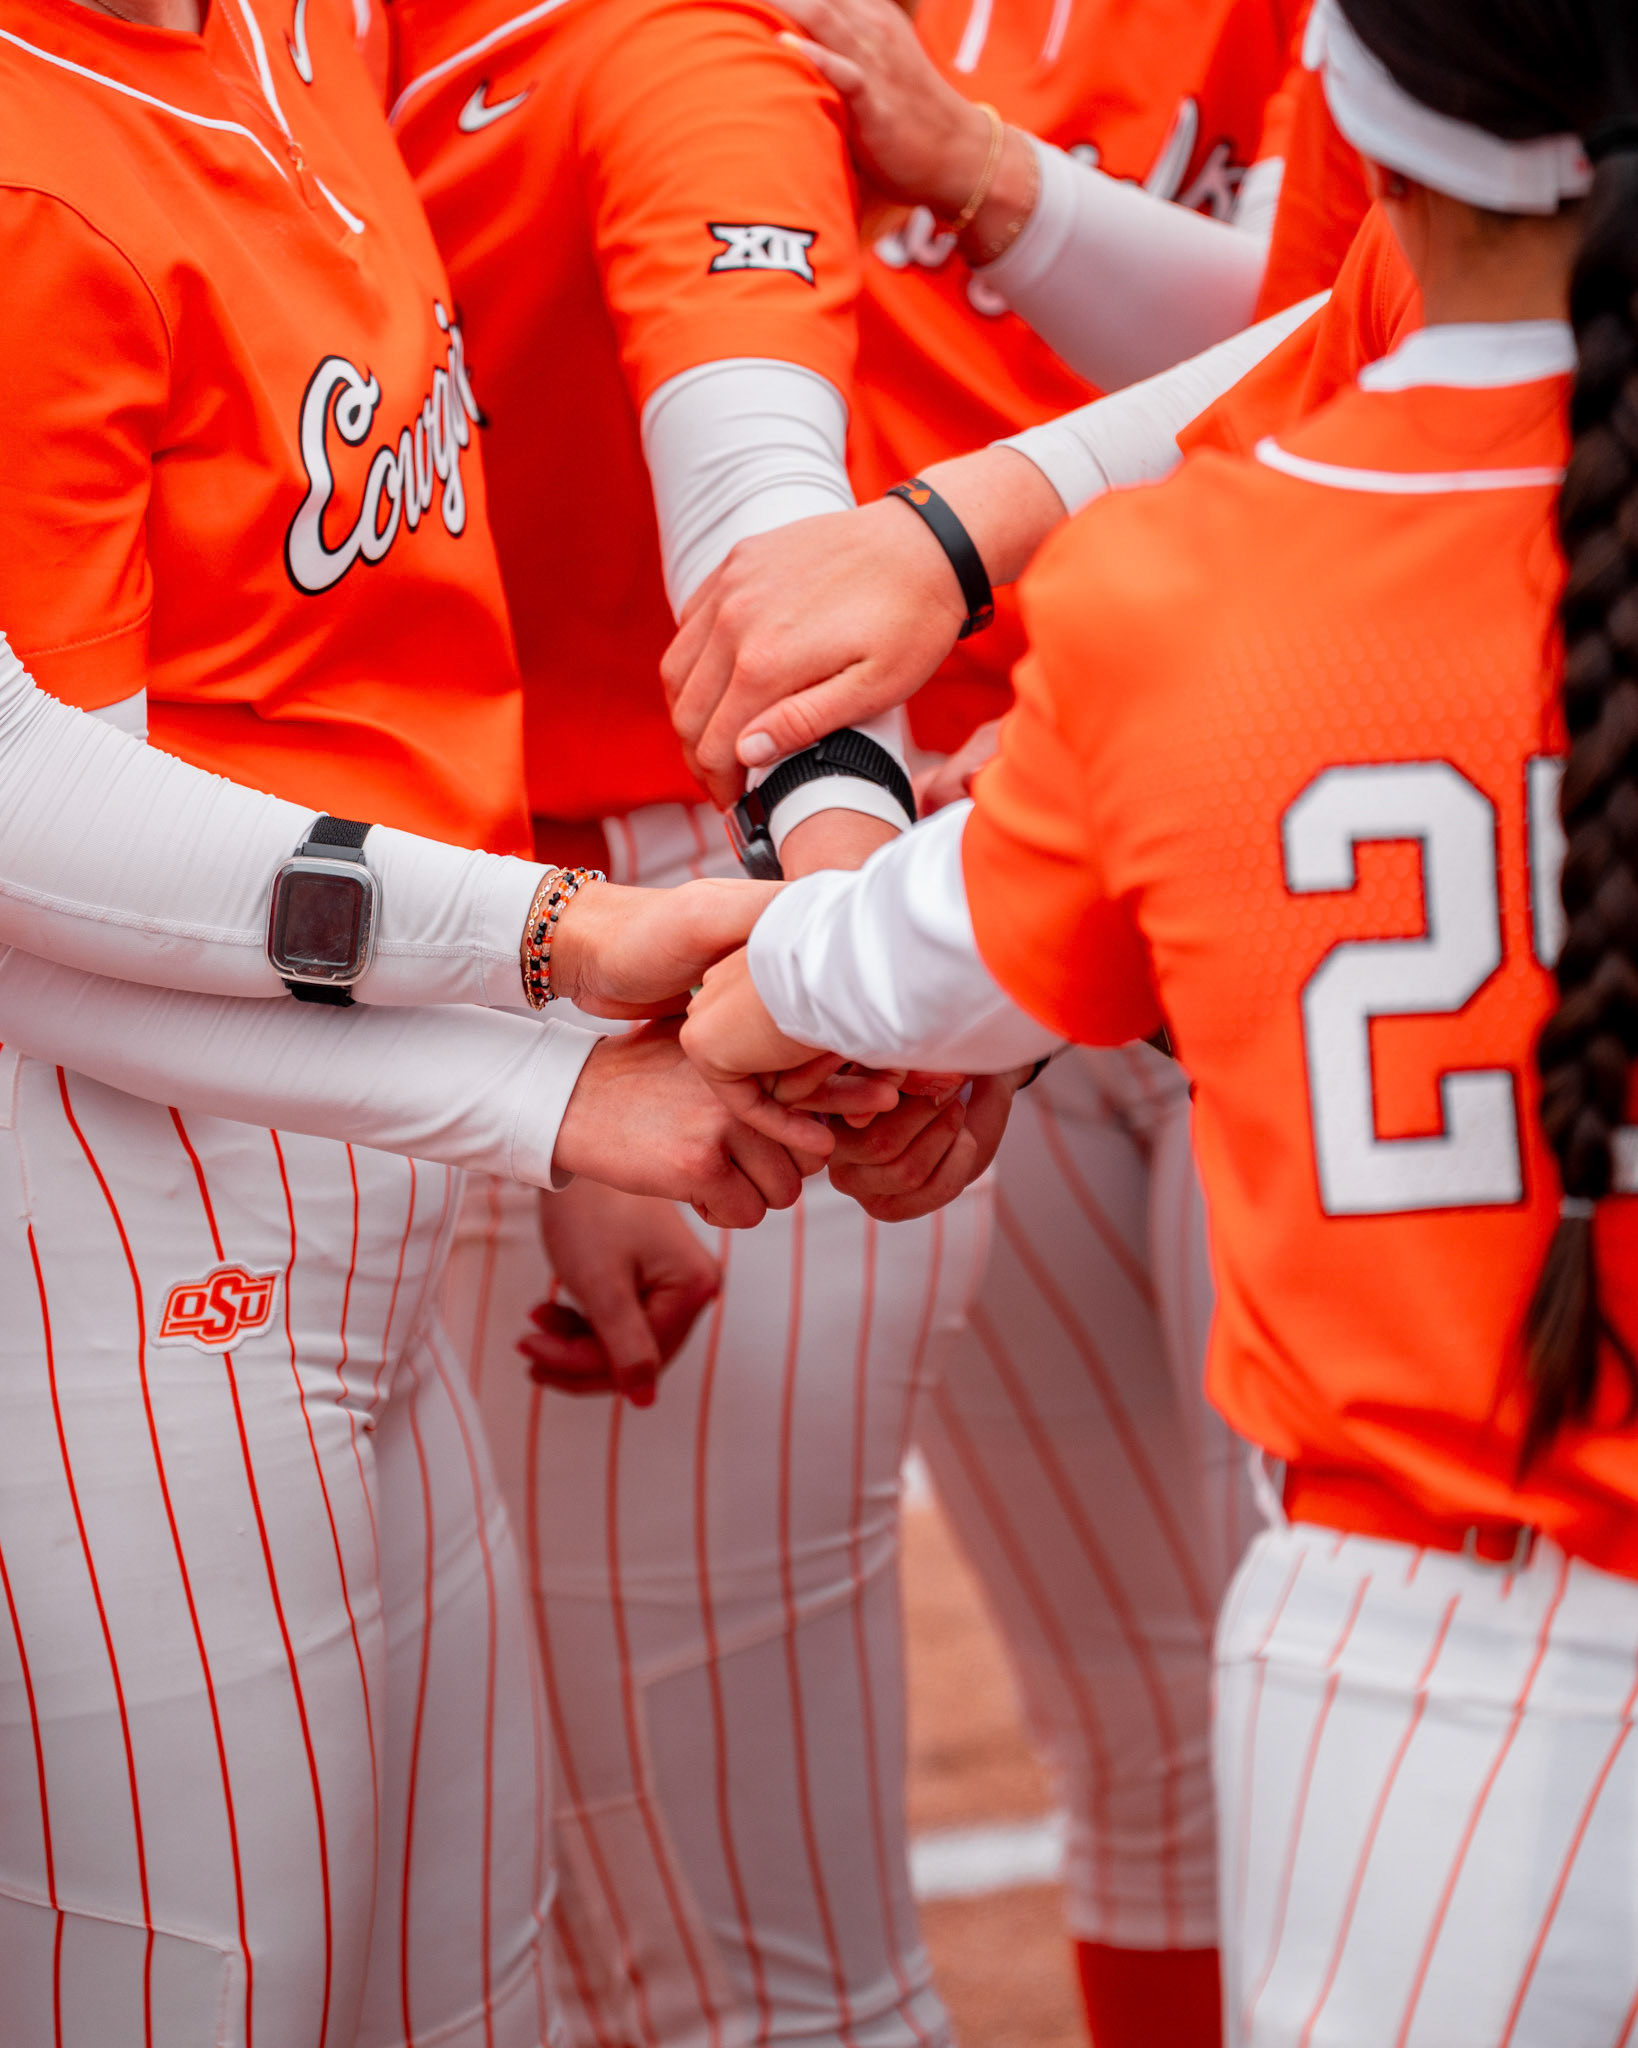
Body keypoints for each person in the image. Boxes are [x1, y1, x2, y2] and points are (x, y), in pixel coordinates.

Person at [682, 0, 1638, 2037]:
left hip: (1430, 1665)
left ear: (1353, 137)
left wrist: (629, 940)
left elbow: (839, 972)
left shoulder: (1197, 594)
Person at [0, 4, 838, 2039]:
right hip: (114, 1207)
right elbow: (29, 853)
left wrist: (543, 1093)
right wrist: (546, 996)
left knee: (464, 1994)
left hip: (356, 1157)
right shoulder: (34, 167)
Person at [387, 8, 1004, 2041]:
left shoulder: (673, 44)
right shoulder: (276, 44)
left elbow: (761, 521)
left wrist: (831, 920)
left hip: (693, 895)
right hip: (481, 930)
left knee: (744, 1967)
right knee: (574, 1932)